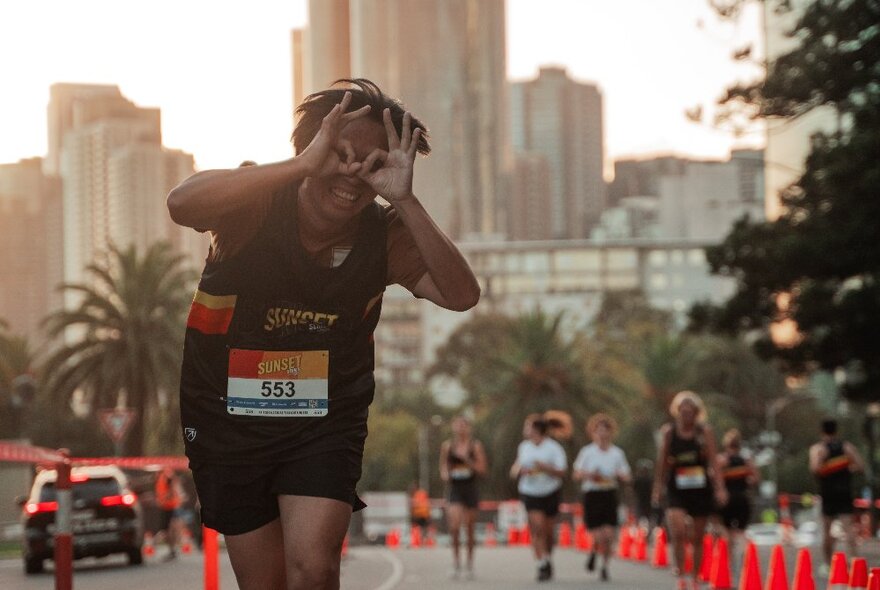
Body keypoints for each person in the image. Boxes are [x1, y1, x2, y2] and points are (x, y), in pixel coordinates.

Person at [167, 78, 480, 590]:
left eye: (375, 163)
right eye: (340, 154)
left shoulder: (384, 236)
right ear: (310, 149)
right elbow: (181, 204)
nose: (354, 174)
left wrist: (406, 201)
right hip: (225, 418)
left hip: (322, 422)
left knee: (313, 569)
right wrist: (299, 166)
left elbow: (462, 294)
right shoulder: (257, 201)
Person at [652, 391, 727, 590]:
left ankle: (694, 576)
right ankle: (680, 571)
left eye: (690, 410)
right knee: (677, 530)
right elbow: (662, 462)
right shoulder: (669, 432)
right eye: (682, 410)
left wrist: (720, 488)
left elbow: (714, 462)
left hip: (701, 488)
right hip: (676, 487)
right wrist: (657, 487)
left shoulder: (705, 432)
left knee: (698, 536)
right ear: (677, 412)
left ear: (696, 413)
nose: (686, 414)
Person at [572, 413, 631, 582]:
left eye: (605, 431)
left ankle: (604, 566)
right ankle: (594, 549)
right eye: (598, 431)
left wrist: (619, 475)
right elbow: (576, 474)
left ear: (610, 433)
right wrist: (589, 474)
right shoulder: (587, 452)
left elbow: (627, 475)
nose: (602, 434)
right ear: (593, 433)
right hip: (592, 494)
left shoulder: (617, 453)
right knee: (598, 535)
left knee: (609, 535)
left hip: (609, 494)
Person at [510, 414, 568, 582]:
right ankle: (541, 563)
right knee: (537, 528)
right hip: (529, 492)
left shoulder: (553, 448)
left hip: (550, 491)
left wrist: (545, 467)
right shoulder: (524, 447)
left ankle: (548, 558)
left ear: (536, 429)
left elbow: (562, 471)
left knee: (549, 532)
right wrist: (519, 471)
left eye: (527, 426)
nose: (525, 430)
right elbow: (516, 467)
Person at [809, 418, 864, 573]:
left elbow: (814, 469)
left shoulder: (818, 449)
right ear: (836, 431)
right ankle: (855, 562)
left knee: (827, 530)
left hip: (828, 493)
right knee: (848, 528)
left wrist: (824, 461)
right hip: (844, 491)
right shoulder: (847, 447)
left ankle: (827, 564)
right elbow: (860, 466)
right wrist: (846, 469)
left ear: (821, 432)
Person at [439, 415, 487, 580]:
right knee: (454, 526)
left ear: (468, 428)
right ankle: (456, 563)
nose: (460, 428)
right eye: (457, 425)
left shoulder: (475, 446)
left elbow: (482, 469)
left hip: (470, 488)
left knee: (470, 528)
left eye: (463, 425)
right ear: (453, 427)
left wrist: (468, 462)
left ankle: (470, 564)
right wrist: (446, 474)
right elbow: (443, 467)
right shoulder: (448, 446)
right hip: (455, 489)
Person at [717, 429, 758, 562]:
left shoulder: (721, 460)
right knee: (741, 531)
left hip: (727, 498)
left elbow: (714, 477)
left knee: (727, 530)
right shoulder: (746, 460)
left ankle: (728, 561)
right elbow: (755, 478)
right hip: (742, 497)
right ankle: (745, 558)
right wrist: (745, 481)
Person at [155, 467, 184, 561]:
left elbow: (172, 486)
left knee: (171, 529)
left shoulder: (166, 474)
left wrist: (166, 497)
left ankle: (173, 549)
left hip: (171, 506)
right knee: (167, 530)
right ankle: (172, 550)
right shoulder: (161, 477)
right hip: (166, 506)